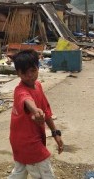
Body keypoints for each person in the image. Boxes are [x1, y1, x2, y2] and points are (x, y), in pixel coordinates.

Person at [9, 49, 64, 179]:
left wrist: (55, 133)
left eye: (33, 71)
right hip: (28, 142)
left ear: (38, 68)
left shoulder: (38, 86)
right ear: (18, 73)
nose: (30, 75)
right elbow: (27, 99)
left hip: (23, 140)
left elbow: (46, 111)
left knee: (20, 172)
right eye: (25, 72)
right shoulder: (19, 91)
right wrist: (35, 110)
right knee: (45, 173)